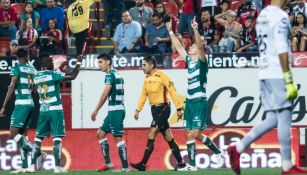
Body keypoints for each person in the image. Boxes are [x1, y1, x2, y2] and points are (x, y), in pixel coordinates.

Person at [227, 0, 307, 174]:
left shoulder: (262, 15)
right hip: (277, 72)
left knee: (272, 119)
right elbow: (281, 47)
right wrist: (287, 77)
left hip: (264, 71)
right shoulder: (280, 16)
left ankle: (238, 148)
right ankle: (287, 166)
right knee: (285, 117)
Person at [166, 18, 225, 171]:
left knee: (196, 132)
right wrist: (171, 32)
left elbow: (199, 46)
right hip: (190, 102)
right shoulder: (189, 61)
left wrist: (195, 29)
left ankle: (218, 153)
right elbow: (179, 47)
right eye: (191, 46)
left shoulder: (202, 62)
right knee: (189, 133)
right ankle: (193, 165)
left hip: (199, 101)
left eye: (192, 46)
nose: (191, 47)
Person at [130, 56, 188, 171]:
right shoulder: (146, 79)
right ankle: (181, 163)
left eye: (144, 65)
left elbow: (172, 90)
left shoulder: (162, 75)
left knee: (151, 134)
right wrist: (138, 109)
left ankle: (142, 164)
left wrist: (179, 108)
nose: (142, 67)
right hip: (154, 110)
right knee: (168, 137)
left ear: (151, 66)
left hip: (164, 108)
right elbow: (143, 95)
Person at [28, 54, 83, 173]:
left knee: (38, 138)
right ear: (44, 65)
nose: (52, 63)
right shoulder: (53, 74)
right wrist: (78, 63)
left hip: (43, 110)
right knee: (57, 138)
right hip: (55, 110)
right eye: (50, 62)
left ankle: (32, 165)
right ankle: (57, 167)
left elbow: (34, 89)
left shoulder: (36, 76)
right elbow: (73, 76)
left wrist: (59, 69)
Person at [0, 48, 44, 173]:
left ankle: (40, 153)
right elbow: (36, 90)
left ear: (17, 57)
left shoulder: (17, 68)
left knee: (13, 135)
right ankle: (24, 166)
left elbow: (12, 86)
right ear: (27, 56)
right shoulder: (33, 69)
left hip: (21, 103)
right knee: (23, 136)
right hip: (31, 103)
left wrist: (3, 107)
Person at [91, 53, 130, 172]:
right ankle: (108, 163)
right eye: (98, 62)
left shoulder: (109, 75)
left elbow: (105, 94)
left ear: (108, 62)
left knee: (118, 138)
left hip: (116, 111)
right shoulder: (116, 73)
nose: (99, 65)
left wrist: (96, 110)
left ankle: (125, 167)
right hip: (115, 110)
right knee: (100, 134)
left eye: (101, 62)